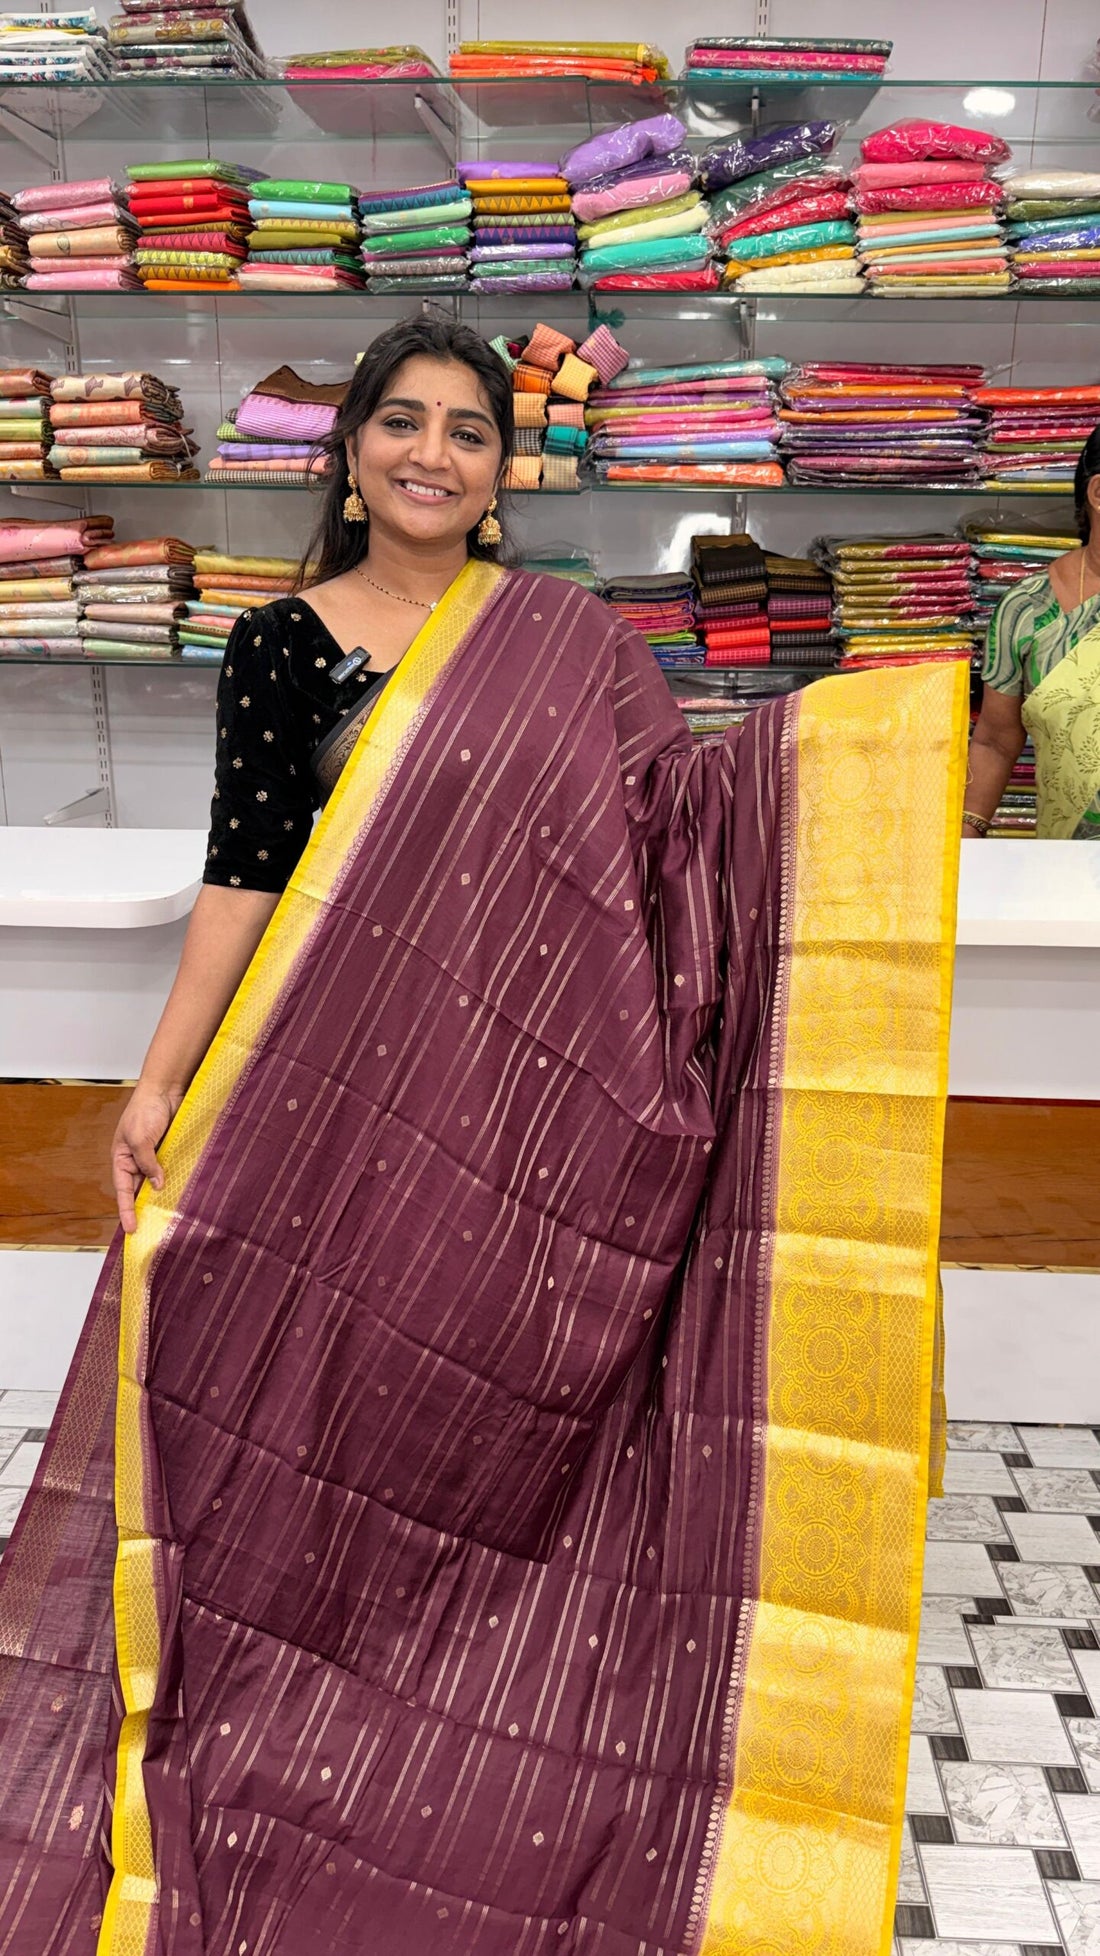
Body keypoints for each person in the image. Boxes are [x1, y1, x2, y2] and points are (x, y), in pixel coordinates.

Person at [0, 317, 967, 1956]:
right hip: (322, 1105)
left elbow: (674, 839)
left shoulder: (567, 640)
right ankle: (292, 1689)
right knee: (295, 1411)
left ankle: (457, 1696)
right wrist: (157, 1082)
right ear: (351, 451)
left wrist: (854, 760)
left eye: (467, 429)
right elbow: (246, 874)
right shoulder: (281, 645)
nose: (432, 454)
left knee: (469, 1411)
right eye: (402, 422)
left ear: (504, 469)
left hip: (521, 1125)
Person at [965, 427, 1100, 839]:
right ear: (1098, 493)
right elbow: (995, 742)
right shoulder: (1027, 610)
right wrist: (966, 841)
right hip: (1065, 865)